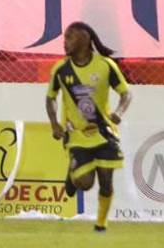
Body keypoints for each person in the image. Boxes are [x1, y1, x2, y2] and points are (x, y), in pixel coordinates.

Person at [45, 21, 132, 233]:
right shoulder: (61, 69)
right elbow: (51, 98)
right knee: (85, 183)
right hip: (77, 135)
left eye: (70, 38)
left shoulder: (106, 65)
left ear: (84, 40)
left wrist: (119, 113)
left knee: (106, 179)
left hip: (103, 132)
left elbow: (126, 93)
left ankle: (101, 225)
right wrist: (55, 123)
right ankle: (73, 174)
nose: (65, 42)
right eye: (65, 38)